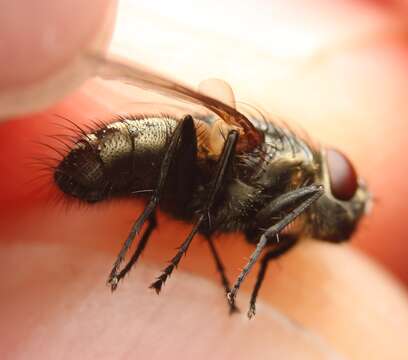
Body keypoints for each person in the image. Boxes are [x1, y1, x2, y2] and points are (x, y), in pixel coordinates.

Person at [0, 1, 407, 359]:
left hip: (180, 185)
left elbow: (250, 229)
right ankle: (148, 238)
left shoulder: (283, 211)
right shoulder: (287, 169)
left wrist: (248, 275)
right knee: (198, 147)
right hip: (141, 153)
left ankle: (157, 242)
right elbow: (217, 181)